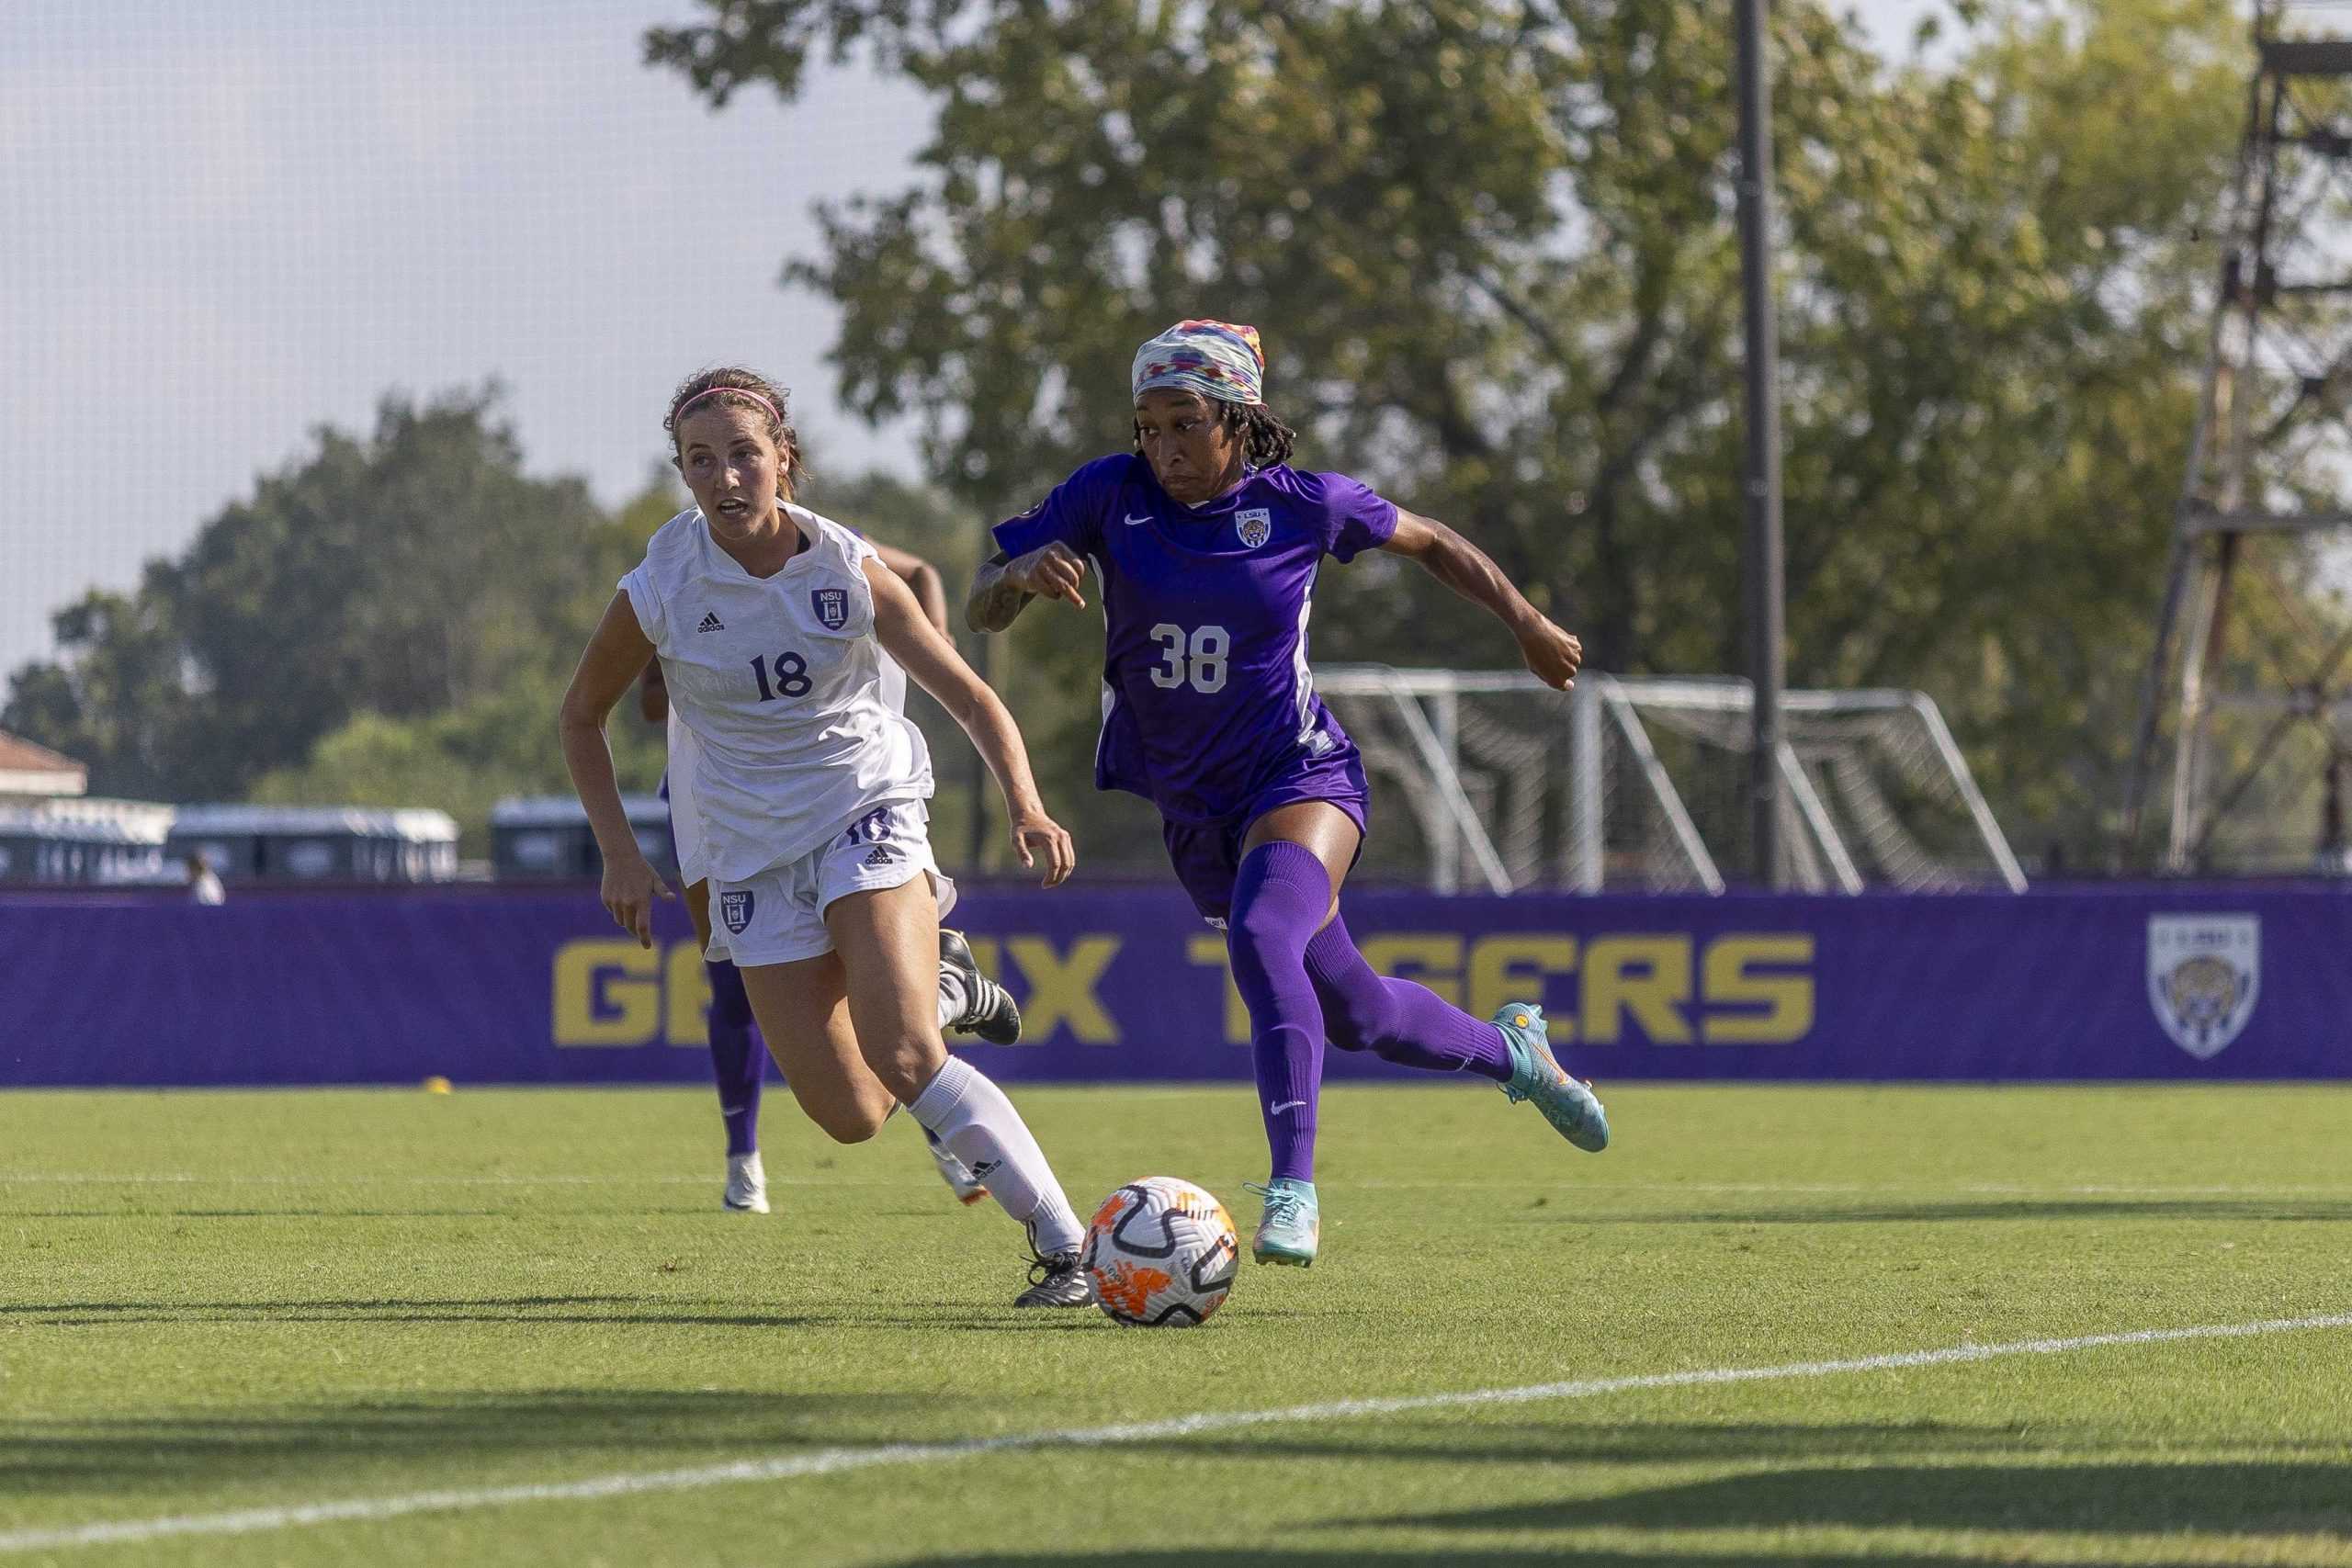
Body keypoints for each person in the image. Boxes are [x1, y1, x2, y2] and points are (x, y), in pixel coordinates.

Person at [967, 319, 1609, 1270]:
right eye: (1146, 425)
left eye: (1183, 422)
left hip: (1300, 773)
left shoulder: (1306, 505)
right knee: (1358, 1016)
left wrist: (1524, 621)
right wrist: (1015, 577)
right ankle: (1516, 1054)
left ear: (1236, 418)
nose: (1162, 445)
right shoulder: (1108, 493)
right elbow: (981, 599)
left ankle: (1292, 1188)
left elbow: (1431, 541)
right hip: (1192, 807)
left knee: (1268, 941)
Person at [561, 367, 1092, 1306]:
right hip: (745, 849)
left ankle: (1067, 1251)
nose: (725, 479)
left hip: (864, 804)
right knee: (850, 1117)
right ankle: (947, 984)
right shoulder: (661, 584)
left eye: (743, 456)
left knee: (905, 1055)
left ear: (784, 462)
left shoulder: (846, 568)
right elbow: (580, 718)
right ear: (682, 475)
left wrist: (1027, 803)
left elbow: (967, 696)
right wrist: (621, 854)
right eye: (700, 462)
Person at [639, 646, 1013, 1214]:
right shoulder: (677, 578)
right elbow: (633, 703)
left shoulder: (829, 559)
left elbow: (912, 577)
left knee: (883, 1000)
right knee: (733, 987)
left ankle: (945, 1135)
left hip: (829, 796)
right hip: (720, 805)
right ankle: (744, 1162)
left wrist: (920, 641)